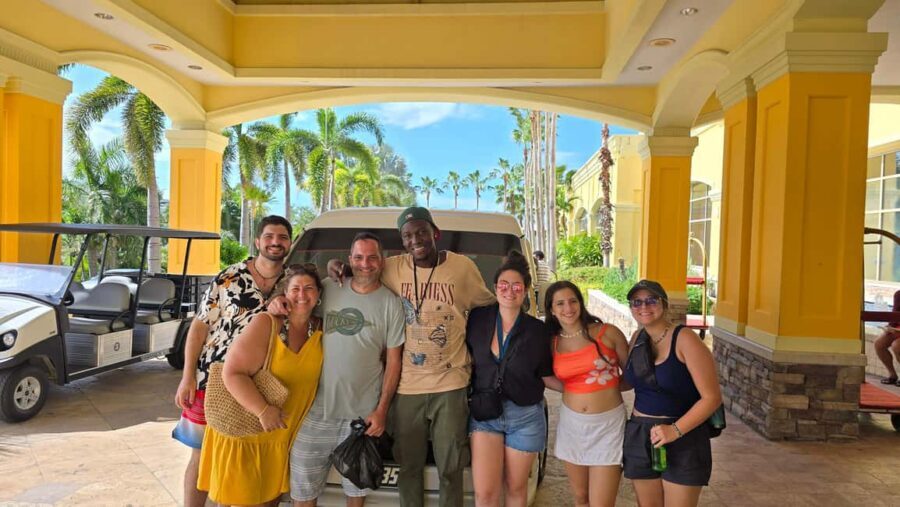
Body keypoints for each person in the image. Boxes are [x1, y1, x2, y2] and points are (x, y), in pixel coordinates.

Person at [328, 206, 495, 507]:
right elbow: (362, 268)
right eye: (407, 236)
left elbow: (489, 306)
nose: (415, 240)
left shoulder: (462, 268)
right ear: (402, 241)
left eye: (421, 232)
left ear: (435, 233)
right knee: (409, 468)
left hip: (451, 383)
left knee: (450, 468)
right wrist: (336, 265)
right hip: (407, 387)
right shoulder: (391, 267)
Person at [172, 215, 293, 507]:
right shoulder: (229, 276)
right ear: (258, 241)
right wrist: (187, 376)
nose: (275, 242)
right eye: (269, 236)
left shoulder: (293, 282)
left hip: (262, 385)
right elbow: (199, 326)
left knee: (245, 456)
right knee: (202, 454)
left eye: (282, 237)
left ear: (290, 243)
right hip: (211, 378)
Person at [291, 232, 405, 507]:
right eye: (359, 257)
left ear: (382, 260)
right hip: (316, 410)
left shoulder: (391, 303)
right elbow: (296, 302)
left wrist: (381, 410)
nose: (365, 264)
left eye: (372, 257)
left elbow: (394, 361)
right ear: (349, 259)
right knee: (302, 493)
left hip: (361, 417)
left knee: (355, 493)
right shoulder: (329, 287)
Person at [197, 265, 324, 505]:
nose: (302, 294)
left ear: (319, 294)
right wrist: (263, 411)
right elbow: (232, 372)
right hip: (247, 431)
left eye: (309, 288)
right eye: (295, 289)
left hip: (280, 437)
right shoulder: (268, 323)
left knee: (268, 501)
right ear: (284, 293)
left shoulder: (318, 329)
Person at [622, 280, 722, 507]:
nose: (643, 306)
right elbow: (631, 382)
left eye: (651, 300)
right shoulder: (637, 338)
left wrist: (674, 431)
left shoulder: (685, 339)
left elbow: (712, 398)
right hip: (641, 432)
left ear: (664, 304)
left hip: (683, 434)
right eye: (637, 302)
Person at [466, 251, 553, 507]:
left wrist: (583, 390)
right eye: (504, 285)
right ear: (495, 287)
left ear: (525, 291)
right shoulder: (477, 319)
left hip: (524, 416)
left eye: (517, 286)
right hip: (485, 414)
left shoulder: (538, 330)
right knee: (485, 494)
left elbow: (547, 373)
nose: (509, 291)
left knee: (516, 489)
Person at [543, 280, 629, 507]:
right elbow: (544, 376)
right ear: (551, 310)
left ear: (581, 303)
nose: (568, 308)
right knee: (581, 498)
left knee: (602, 503)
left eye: (573, 301)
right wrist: (578, 389)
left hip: (608, 426)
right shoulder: (552, 342)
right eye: (560, 303)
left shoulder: (607, 333)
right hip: (572, 425)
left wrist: (606, 386)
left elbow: (634, 374)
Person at [874, 290, 900, 385]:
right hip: (898, 328)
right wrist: (890, 327)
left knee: (896, 346)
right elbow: (895, 313)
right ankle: (892, 375)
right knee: (879, 344)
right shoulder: (899, 294)